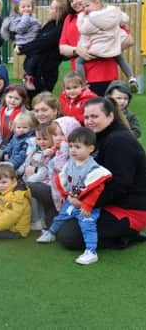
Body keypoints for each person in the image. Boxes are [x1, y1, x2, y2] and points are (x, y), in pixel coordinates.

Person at [55, 97, 146, 250]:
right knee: (61, 224)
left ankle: (126, 236)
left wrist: (86, 203)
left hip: (128, 209)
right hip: (107, 202)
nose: (89, 121)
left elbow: (119, 185)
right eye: (86, 117)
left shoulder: (119, 141)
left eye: (95, 116)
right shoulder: (99, 136)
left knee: (69, 236)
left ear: (110, 116)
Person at [37, 127, 112, 265]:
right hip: (71, 201)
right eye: (71, 146)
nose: (72, 150)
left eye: (77, 147)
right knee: (60, 217)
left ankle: (91, 251)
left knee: (88, 226)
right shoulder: (71, 162)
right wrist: (65, 194)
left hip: (86, 206)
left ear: (90, 148)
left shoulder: (93, 168)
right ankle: (51, 233)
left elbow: (96, 189)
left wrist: (88, 205)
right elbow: (64, 178)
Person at [59, 0, 118, 96]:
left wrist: (101, 48)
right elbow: (62, 48)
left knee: (105, 112)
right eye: (71, 0)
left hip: (104, 75)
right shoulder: (69, 19)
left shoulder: (104, 14)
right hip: (80, 80)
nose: (75, 2)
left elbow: (128, 40)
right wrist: (77, 50)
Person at [74, 0, 138, 91]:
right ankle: (131, 78)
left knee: (78, 62)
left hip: (95, 50)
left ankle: (83, 82)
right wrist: (120, 23)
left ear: (97, 2)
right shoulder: (112, 12)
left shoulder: (91, 18)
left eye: (87, 6)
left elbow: (84, 30)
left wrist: (81, 21)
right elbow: (124, 18)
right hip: (111, 49)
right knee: (120, 58)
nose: (85, 9)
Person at [16, 0, 69, 99]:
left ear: (60, 11)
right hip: (34, 72)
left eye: (52, 8)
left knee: (41, 101)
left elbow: (42, 43)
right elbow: (36, 40)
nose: (48, 10)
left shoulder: (60, 28)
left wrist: (22, 49)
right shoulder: (50, 24)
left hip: (45, 74)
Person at [5, 0, 42, 90]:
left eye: (28, 6)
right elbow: (20, 29)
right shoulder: (17, 19)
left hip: (32, 42)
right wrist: (26, 16)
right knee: (34, 56)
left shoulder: (32, 18)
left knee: (33, 58)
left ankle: (28, 75)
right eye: (23, 7)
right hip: (25, 43)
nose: (26, 9)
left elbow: (36, 28)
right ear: (18, 10)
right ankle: (28, 76)